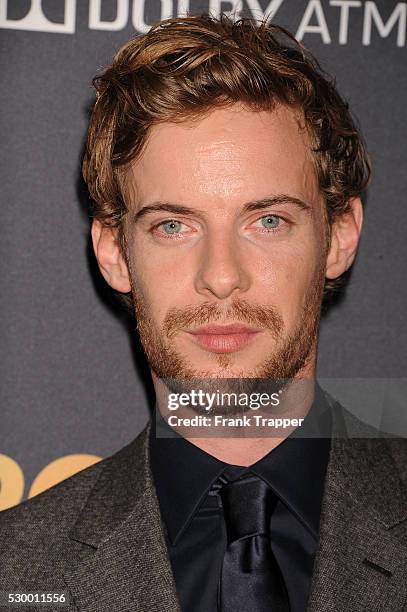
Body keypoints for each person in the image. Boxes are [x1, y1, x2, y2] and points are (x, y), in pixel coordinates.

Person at [1, 13, 406, 612]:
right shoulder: (17, 569)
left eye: (267, 220)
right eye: (173, 225)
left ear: (340, 236)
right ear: (114, 251)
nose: (221, 275)